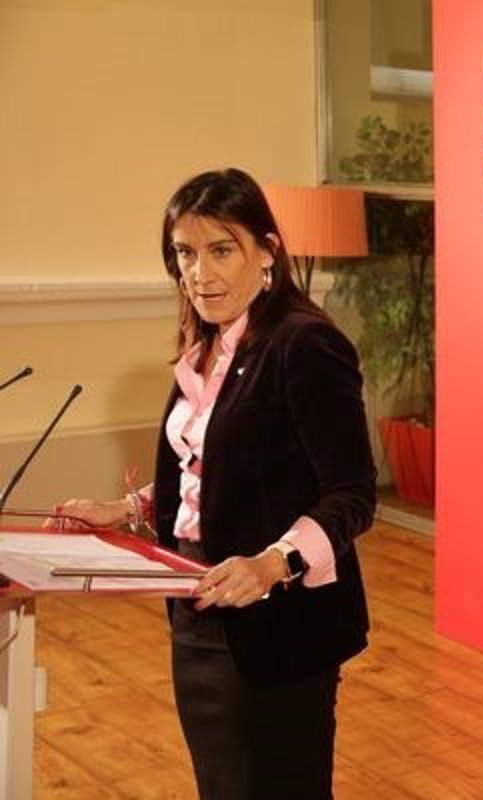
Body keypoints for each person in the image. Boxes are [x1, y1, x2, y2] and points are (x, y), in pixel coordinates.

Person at [48, 168, 376, 799]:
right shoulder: (209, 344)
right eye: (185, 254)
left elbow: (354, 493)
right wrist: (127, 509)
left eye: (221, 250)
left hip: (281, 624)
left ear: (267, 252)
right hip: (197, 608)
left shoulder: (305, 344)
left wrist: (274, 563)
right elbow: (216, 467)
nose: (199, 273)